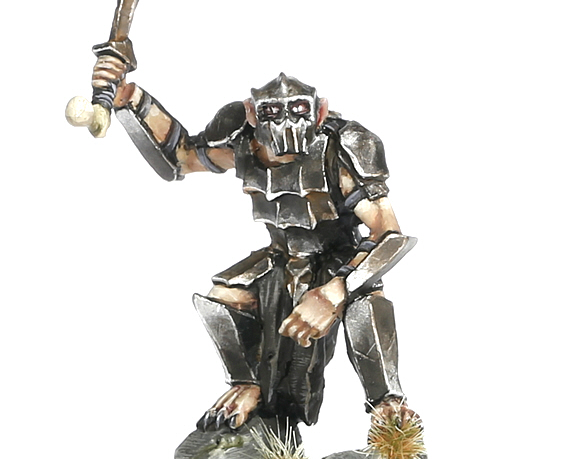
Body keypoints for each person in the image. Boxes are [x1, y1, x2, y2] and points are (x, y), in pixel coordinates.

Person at [92, 56, 419, 433]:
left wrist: (335, 292)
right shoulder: (240, 138)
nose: (285, 123)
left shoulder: (345, 145)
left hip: (338, 259)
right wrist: (129, 98)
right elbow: (179, 159)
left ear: (319, 112)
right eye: (271, 113)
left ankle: (388, 403)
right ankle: (247, 386)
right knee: (224, 299)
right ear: (251, 114)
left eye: (298, 111)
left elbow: (389, 235)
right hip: (280, 259)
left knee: (366, 305)